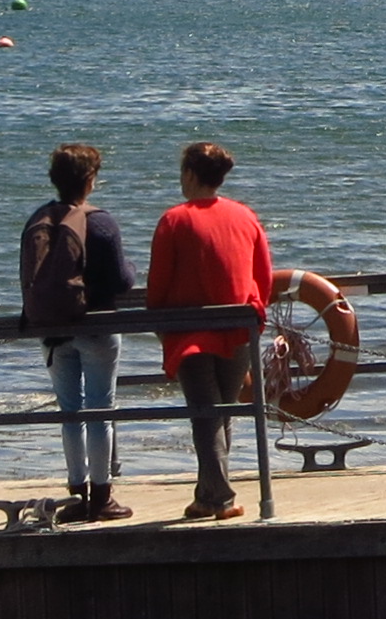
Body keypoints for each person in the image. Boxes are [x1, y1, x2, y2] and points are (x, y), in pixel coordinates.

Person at [145, 139, 272, 522]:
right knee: (221, 414)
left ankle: (219, 498)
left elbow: (158, 285)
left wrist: (158, 322)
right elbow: (263, 277)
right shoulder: (245, 216)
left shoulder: (174, 220)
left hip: (191, 332)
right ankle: (207, 494)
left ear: (189, 174)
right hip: (239, 327)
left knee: (207, 414)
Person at [19, 142, 137, 523]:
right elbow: (121, 280)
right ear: (90, 180)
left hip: (52, 330)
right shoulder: (101, 222)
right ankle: (102, 497)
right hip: (97, 327)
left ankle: (77, 492)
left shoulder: (38, 219)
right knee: (100, 408)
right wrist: (132, 268)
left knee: (69, 411)